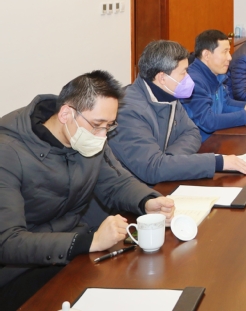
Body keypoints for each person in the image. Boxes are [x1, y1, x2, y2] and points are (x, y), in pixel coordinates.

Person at [0, 71, 175, 310]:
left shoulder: (83, 137)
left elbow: (115, 182)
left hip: (74, 249)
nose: (102, 136)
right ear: (66, 114)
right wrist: (89, 241)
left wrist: (147, 201)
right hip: (19, 269)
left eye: (109, 126)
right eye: (97, 125)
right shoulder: (7, 151)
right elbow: (7, 242)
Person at [106, 40, 246, 187]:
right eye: (183, 72)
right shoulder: (128, 110)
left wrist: (169, 159)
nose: (188, 79)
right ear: (162, 77)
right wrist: (217, 162)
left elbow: (192, 133)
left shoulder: (168, 93)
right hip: (132, 194)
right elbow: (152, 168)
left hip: (163, 179)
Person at [182, 30, 246, 141]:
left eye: (229, 51)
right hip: (201, 145)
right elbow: (207, 121)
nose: (230, 57)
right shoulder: (193, 81)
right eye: (225, 52)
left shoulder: (216, 73)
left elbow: (226, 103)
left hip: (216, 137)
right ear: (206, 55)